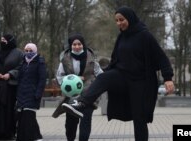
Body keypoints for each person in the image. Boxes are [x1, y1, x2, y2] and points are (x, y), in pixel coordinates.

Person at [62, 6, 175, 141]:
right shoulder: (121, 37)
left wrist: (168, 78)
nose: (119, 23)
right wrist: (106, 72)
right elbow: (115, 59)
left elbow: (161, 57)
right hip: (122, 76)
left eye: (122, 20)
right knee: (104, 77)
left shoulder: (145, 35)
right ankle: (81, 104)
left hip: (140, 82)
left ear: (130, 18)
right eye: (116, 20)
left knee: (139, 119)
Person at [53, 33, 103, 141]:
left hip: (88, 96)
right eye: (74, 44)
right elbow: (59, 76)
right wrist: (73, 79)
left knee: (85, 123)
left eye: (79, 44)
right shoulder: (65, 60)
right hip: (71, 96)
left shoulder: (91, 59)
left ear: (83, 44)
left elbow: (100, 74)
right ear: (71, 45)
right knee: (70, 124)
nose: (77, 47)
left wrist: (96, 85)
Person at [16, 43, 46, 141]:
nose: (28, 53)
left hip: (32, 95)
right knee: (22, 117)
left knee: (29, 117)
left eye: (30, 51)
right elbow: (19, 78)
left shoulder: (40, 62)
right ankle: (36, 136)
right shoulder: (22, 62)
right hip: (21, 94)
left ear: (35, 51)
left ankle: (30, 137)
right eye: (26, 51)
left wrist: (38, 94)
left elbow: (42, 79)